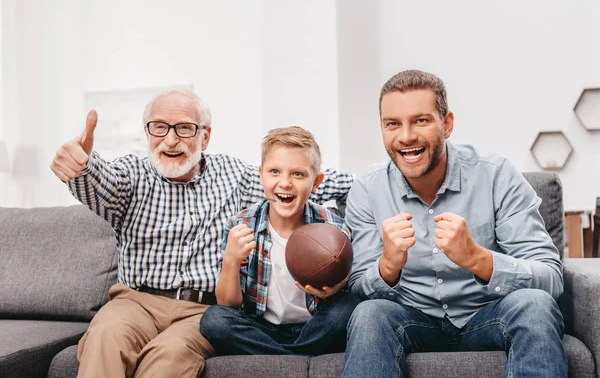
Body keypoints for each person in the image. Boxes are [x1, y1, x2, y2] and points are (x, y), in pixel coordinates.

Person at [49, 89, 354, 378]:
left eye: (184, 128)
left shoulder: (234, 175)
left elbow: (297, 179)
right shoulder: (132, 175)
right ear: (147, 134)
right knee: (105, 336)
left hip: (199, 311)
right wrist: (82, 165)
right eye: (159, 128)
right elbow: (103, 181)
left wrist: (382, 182)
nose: (170, 140)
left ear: (204, 136)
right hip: (135, 302)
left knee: (170, 357)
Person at [342, 70, 567, 377]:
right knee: (369, 315)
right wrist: (387, 266)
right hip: (413, 320)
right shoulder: (368, 188)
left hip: (487, 315)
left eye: (421, 120)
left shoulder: (496, 175)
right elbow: (357, 285)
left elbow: (551, 278)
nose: (406, 136)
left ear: (446, 124)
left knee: (535, 306)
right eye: (392, 124)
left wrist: (478, 259)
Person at [200, 127, 361, 356]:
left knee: (349, 307)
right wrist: (231, 259)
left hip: (315, 326)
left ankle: (280, 361)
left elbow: (344, 287)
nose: (285, 183)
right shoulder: (241, 225)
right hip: (262, 328)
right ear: (261, 175)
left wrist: (334, 289)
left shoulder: (334, 229)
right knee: (214, 320)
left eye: (298, 174)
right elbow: (228, 304)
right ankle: (298, 362)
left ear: (316, 182)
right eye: (274, 171)